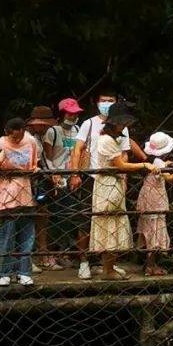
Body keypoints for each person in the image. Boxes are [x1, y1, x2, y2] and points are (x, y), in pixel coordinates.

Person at [71, 89, 144, 280]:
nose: (107, 103)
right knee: (87, 220)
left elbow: (125, 153)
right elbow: (78, 149)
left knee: (112, 222)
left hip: (115, 179)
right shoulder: (89, 124)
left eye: (110, 100)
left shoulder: (122, 131)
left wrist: (125, 179)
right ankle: (84, 261)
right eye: (104, 100)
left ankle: (107, 264)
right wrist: (75, 174)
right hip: (93, 177)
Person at [0, 116, 39, 286]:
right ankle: (5, 272)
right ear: (7, 133)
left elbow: (33, 164)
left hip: (26, 195)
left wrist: (35, 169)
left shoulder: (30, 142)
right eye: (14, 137)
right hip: (6, 196)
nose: (18, 140)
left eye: (20, 136)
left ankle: (24, 272)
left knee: (27, 237)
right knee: (7, 237)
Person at [87, 114, 135, 279]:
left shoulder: (108, 139)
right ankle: (108, 270)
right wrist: (144, 165)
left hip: (112, 182)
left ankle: (110, 266)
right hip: (108, 184)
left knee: (112, 222)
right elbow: (121, 165)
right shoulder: (106, 140)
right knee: (109, 223)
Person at [44, 97, 85, 265]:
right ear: (62, 114)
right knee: (58, 215)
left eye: (75, 113)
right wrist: (54, 174)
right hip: (59, 177)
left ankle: (70, 251)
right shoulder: (53, 131)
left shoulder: (78, 129)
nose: (73, 116)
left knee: (73, 215)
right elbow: (47, 155)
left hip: (74, 177)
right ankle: (58, 250)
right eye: (70, 113)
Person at [137, 131, 173, 275]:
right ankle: (150, 266)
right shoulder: (159, 162)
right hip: (156, 198)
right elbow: (169, 178)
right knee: (155, 230)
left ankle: (150, 264)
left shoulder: (151, 161)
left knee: (149, 228)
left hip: (147, 195)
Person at [26, 104, 59, 269]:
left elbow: (45, 158)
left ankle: (43, 252)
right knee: (29, 219)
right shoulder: (27, 138)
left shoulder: (39, 137)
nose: (47, 127)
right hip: (29, 183)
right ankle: (28, 257)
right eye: (44, 124)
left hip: (40, 182)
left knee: (42, 217)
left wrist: (52, 173)